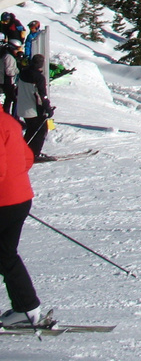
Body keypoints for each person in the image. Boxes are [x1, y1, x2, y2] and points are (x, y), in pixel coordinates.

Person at [0, 107, 48, 329]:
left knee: (5, 255)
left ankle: (27, 308)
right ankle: (26, 309)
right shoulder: (9, 121)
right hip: (18, 199)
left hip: (4, 201)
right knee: (5, 255)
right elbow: (27, 158)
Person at [13, 56, 49, 161]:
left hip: (22, 106)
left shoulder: (24, 73)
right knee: (41, 130)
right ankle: (34, 154)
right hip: (33, 108)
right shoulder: (39, 78)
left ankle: (24, 151)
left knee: (31, 130)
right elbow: (42, 95)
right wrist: (47, 108)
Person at [0, 46, 18, 119]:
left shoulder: (5, 55)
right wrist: (17, 70)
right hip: (8, 81)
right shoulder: (9, 57)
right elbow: (9, 71)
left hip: (4, 81)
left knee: (8, 99)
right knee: (15, 100)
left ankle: (6, 115)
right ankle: (14, 117)